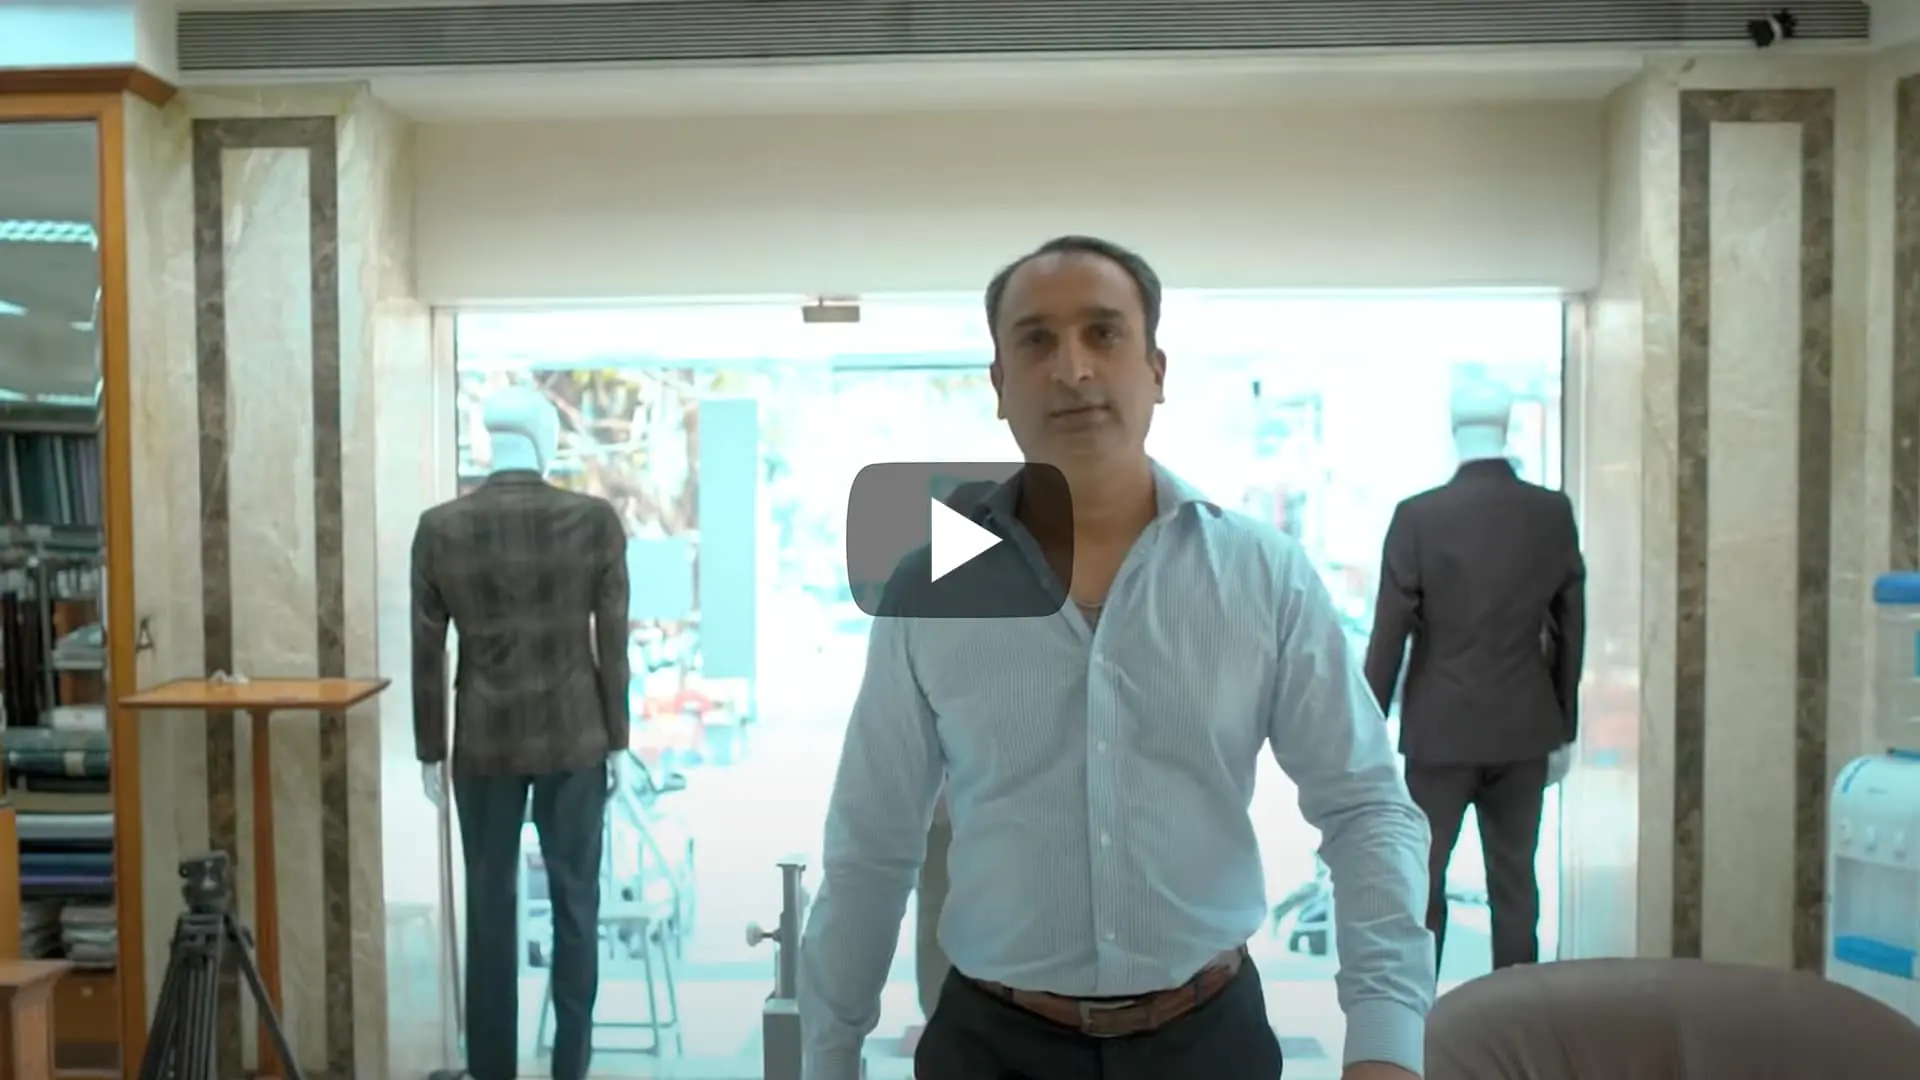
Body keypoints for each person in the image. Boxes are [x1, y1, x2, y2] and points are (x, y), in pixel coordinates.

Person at [798, 235, 1435, 1080]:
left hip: (1209, 1043)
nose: (1072, 368)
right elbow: (872, 846)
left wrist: (1387, 1041)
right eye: (1036, 341)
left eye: (1103, 333)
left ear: (1156, 370)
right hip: (991, 1047)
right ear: (999, 384)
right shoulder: (930, 588)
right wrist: (827, 1054)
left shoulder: (1262, 576)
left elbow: (1365, 808)